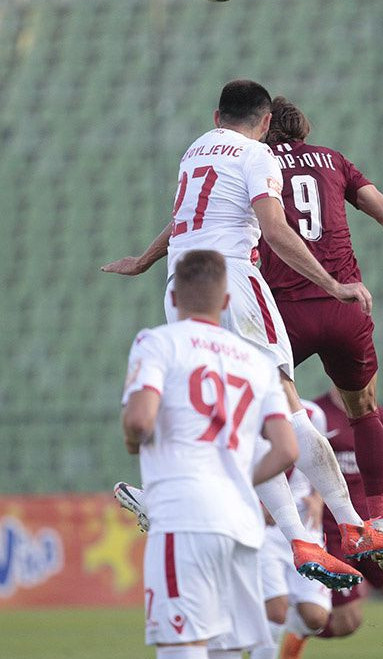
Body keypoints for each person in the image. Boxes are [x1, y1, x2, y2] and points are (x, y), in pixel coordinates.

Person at [103, 79, 383, 589]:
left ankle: (295, 536)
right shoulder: (258, 156)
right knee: (283, 407)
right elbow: (276, 230)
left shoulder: (196, 150)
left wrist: (144, 261)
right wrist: (333, 284)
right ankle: (352, 526)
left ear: (217, 117)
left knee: (238, 414)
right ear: (264, 123)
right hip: (232, 280)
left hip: (180, 285)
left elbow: (184, 218)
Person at [259, 96, 383, 557]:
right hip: (345, 304)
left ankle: (286, 525)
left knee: (258, 410)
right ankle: (381, 526)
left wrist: (147, 258)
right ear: (303, 130)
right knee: (365, 410)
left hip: (285, 311)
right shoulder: (333, 161)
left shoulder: (255, 163)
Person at [119, 249, 299, 659]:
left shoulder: (157, 342)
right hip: (240, 523)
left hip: (184, 516)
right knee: (225, 650)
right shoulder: (256, 361)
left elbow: (140, 422)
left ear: (174, 297)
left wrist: (133, 442)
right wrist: (233, 479)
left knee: (182, 646)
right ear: (228, 301)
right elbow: (287, 448)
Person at [284, 387, 383, 659]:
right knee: (345, 623)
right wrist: (311, 498)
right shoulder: (316, 412)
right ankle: (296, 626)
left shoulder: (375, 415)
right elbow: (301, 459)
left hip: (372, 529)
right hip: (332, 530)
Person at [252, 400, 333, 659]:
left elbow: (321, 460)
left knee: (316, 617)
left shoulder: (312, 414)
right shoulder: (250, 407)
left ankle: (249, 626)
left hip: (305, 524)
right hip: (265, 527)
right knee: (276, 611)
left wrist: (319, 499)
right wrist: (259, 502)